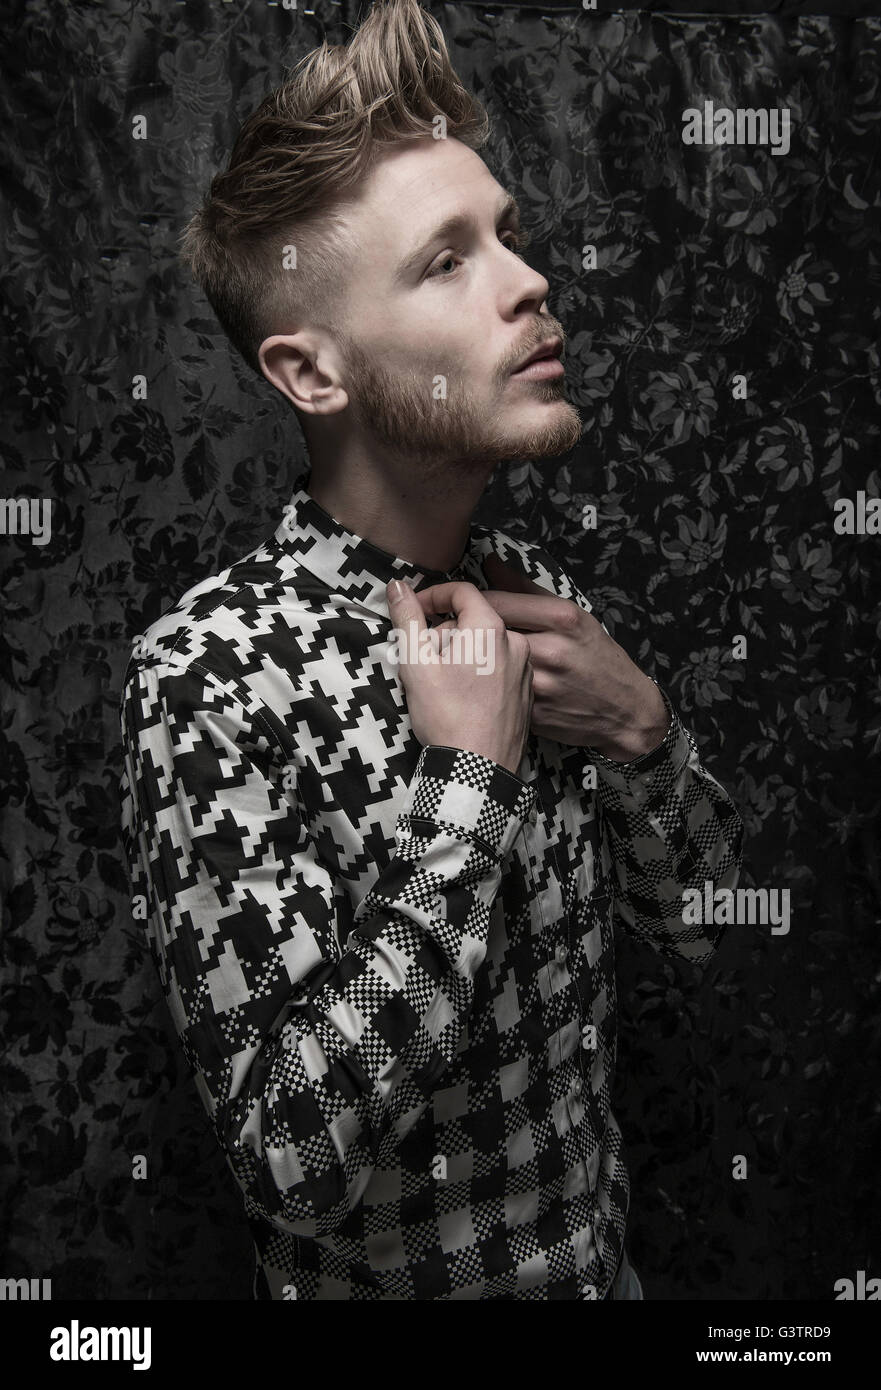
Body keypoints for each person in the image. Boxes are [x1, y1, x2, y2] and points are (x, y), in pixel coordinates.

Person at [119, 0, 743, 1300]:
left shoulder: (540, 599)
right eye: (443, 261)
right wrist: (468, 794)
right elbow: (286, 1156)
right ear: (311, 373)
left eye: (503, 234)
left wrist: (643, 734)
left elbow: (701, 947)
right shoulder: (215, 670)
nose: (527, 280)